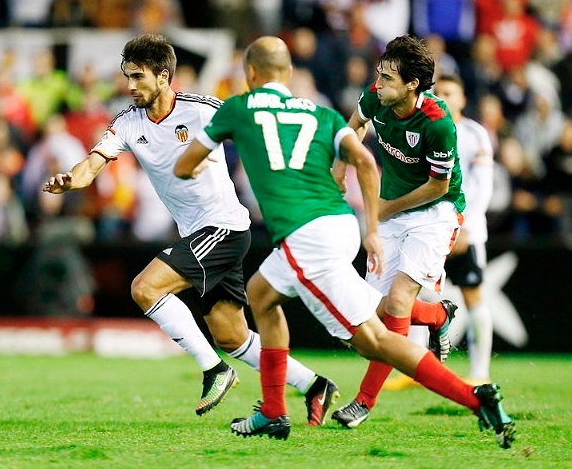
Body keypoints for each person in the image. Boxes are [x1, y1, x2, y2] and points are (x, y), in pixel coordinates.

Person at [174, 36, 515, 448]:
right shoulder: (321, 113)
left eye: (387, 76)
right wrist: (370, 225)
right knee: (261, 296)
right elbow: (365, 159)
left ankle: (474, 398)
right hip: (340, 223)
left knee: (375, 340)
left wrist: (376, 217)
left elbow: (182, 167)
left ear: (250, 74)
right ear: (288, 74)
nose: (378, 81)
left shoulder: (238, 107)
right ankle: (274, 410)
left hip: (350, 227)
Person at [43, 34, 339, 422]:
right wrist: (71, 179)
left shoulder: (200, 109)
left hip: (224, 228)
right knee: (231, 335)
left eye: (138, 77)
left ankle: (214, 370)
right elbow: (93, 163)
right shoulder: (128, 123)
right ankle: (315, 385)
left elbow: (252, 127)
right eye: (127, 77)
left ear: (164, 77)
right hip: (201, 233)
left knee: (145, 288)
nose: (130, 86)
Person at [328, 34, 466, 428]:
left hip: (435, 212)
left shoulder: (439, 124)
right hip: (389, 212)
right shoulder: (378, 96)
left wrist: (384, 207)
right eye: (379, 73)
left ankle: (364, 403)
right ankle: (438, 316)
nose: (378, 82)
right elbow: (355, 124)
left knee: (399, 301)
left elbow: (439, 185)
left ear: (412, 85)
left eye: (388, 77)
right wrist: (341, 165)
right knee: (370, 317)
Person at [387, 74, 496, 389]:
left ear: (462, 99)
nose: (444, 97)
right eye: (439, 92)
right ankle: (416, 366)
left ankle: (480, 369)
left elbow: (481, 187)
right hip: (429, 228)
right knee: (416, 291)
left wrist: (467, 226)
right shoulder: (425, 128)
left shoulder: (475, 135)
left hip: (466, 231)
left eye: (451, 92)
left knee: (473, 295)